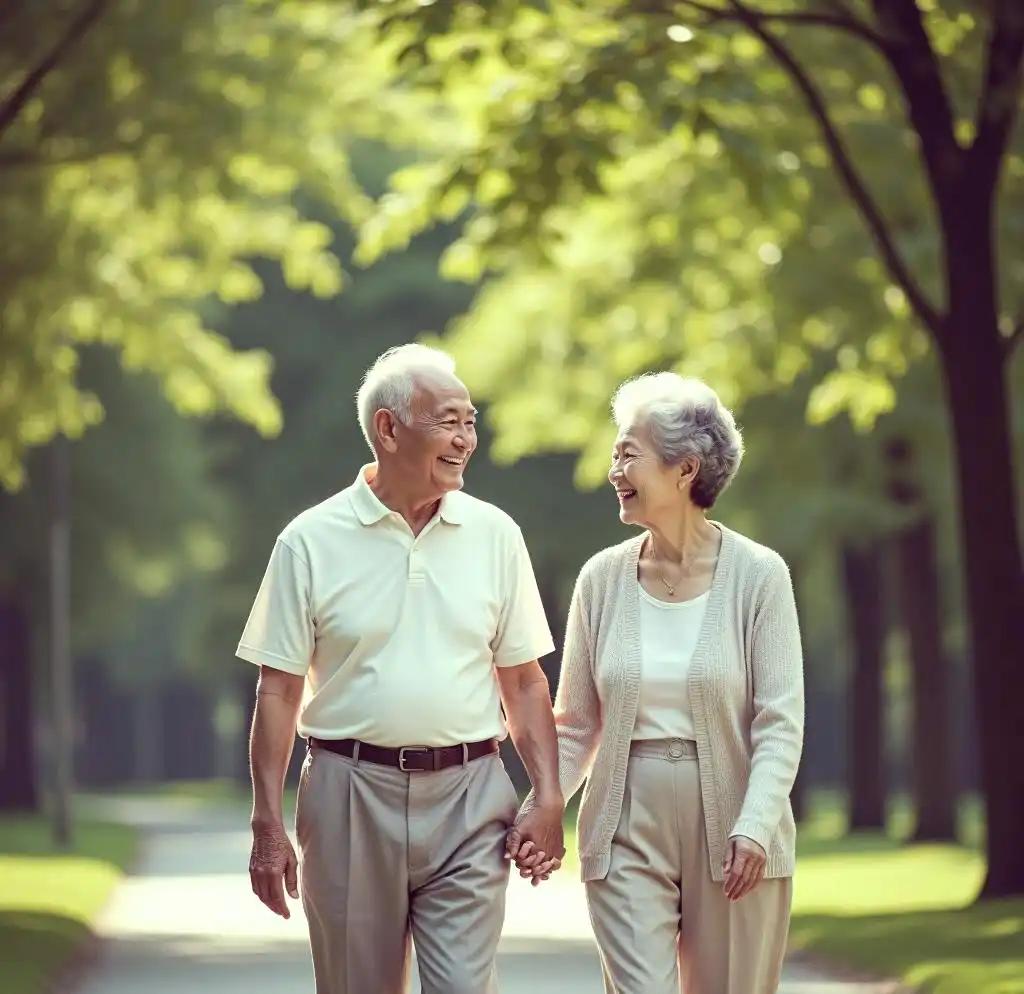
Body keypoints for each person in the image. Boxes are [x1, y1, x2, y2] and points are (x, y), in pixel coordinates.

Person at [237, 344, 565, 994]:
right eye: (449, 421)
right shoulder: (309, 540)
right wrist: (267, 821)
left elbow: (524, 682)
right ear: (389, 429)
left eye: (470, 422)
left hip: (471, 797)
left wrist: (548, 793)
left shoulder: (496, 534)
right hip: (348, 795)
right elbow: (277, 691)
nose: (466, 439)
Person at [516, 371, 804, 994]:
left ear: (685, 470)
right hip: (625, 815)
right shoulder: (601, 579)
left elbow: (779, 721)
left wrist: (755, 825)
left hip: (734, 823)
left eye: (628, 454)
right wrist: (542, 804)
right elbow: (577, 723)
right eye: (614, 453)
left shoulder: (759, 576)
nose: (613, 469)